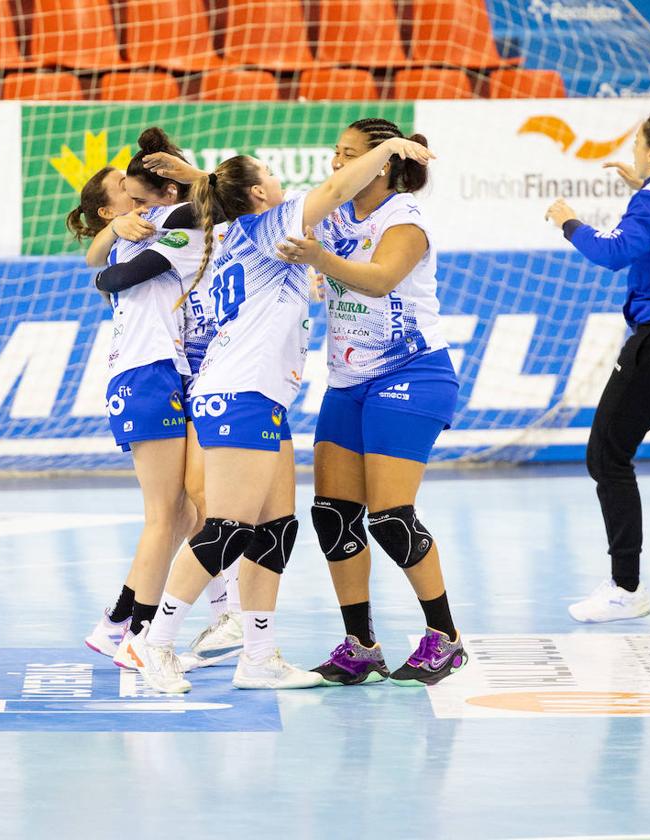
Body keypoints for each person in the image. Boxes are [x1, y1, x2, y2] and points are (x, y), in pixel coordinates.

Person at [129, 136, 434, 693]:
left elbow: (229, 193)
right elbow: (338, 187)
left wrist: (198, 174)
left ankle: (259, 656)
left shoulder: (245, 230)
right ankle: (154, 642)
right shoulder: (269, 226)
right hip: (238, 391)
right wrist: (389, 145)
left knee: (275, 529)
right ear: (258, 194)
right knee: (226, 528)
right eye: (270, 173)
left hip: (263, 395)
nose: (279, 179)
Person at [276, 117, 467, 687]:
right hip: (348, 379)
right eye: (336, 153)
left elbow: (381, 279)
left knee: (391, 518)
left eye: (350, 153)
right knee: (333, 517)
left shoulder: (404, 218)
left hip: (413, 373)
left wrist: (319, 260)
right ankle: (360, 645)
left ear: (381, 164)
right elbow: (260, 207)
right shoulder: (335, 211)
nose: (338, 163)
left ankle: (446, 638)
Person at [68, 128, 221, 669]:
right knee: (167, 515)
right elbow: (106, 271)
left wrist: (116, 232)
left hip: (159, 371)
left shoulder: (156, 223)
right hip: (146, 372)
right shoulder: (155, 226)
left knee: (183, 512)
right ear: (113, 206)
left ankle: (116, 622)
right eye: (122, 190)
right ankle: (138, 634)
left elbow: (99, 264)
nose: (132, 194)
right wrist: (116, 233)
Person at [545, 106, 650, 624]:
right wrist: (646, 187)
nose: (634, 152)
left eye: (639, 145)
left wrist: (567, 222)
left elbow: (615, 253)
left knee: (606, 456)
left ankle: (625, 587)